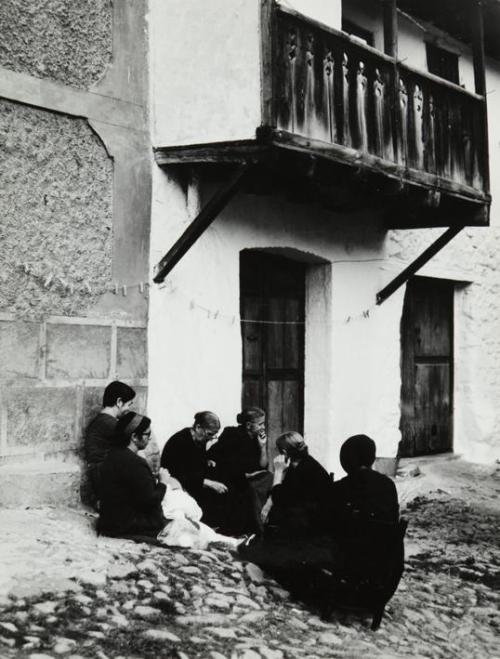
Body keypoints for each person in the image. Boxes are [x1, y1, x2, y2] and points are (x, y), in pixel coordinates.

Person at [239, 431, 334, 574]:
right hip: (301, 520)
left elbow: (281, 497)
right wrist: (269, 503)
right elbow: (281, 492)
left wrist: (277, 472)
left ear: (284, 452)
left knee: (253, 552)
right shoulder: (300, 464)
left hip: (308, 527)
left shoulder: (307, 470)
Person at [97, 412, 167, 539]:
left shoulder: (112, 454)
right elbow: (150, 501)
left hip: (110, 520)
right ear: (134, 437)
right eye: (147, 434)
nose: (150, 438)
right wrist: (163, 482)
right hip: (126, 524)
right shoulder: (135, 463)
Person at [208, 408, 273, 534]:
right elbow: (225, 464)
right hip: (229, 478)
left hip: (248, 477)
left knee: (269, 478)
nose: (263, 427)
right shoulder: (231, 435)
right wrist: (246, 475)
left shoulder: (256, 439)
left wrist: (263, 446)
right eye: (260, 424)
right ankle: (255, 527)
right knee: (252, 489)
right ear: (249, 425)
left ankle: (264, 523)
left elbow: (263, 466)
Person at [160, 412, 228, 529]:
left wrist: (206, 461)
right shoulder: (180, 441)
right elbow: (179, 473)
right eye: (209, 434)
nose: (211, 438)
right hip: (177, 483)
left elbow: (195, 462)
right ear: (198, 427)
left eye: (214, 435)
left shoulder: (199, 439)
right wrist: (207, 482)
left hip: (193, 480)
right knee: (210, 492)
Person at [331, 434, 399, 528]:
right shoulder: (388, 485)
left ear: (345, 459)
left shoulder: (338, 489)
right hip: (381, 541)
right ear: (371, 457)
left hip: (350, 541)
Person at [84, 381, 136, 504]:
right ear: (119, 402)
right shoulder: (109, 423)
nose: (128, 409)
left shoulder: (103, 421)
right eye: (128, 404)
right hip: (104, 478)